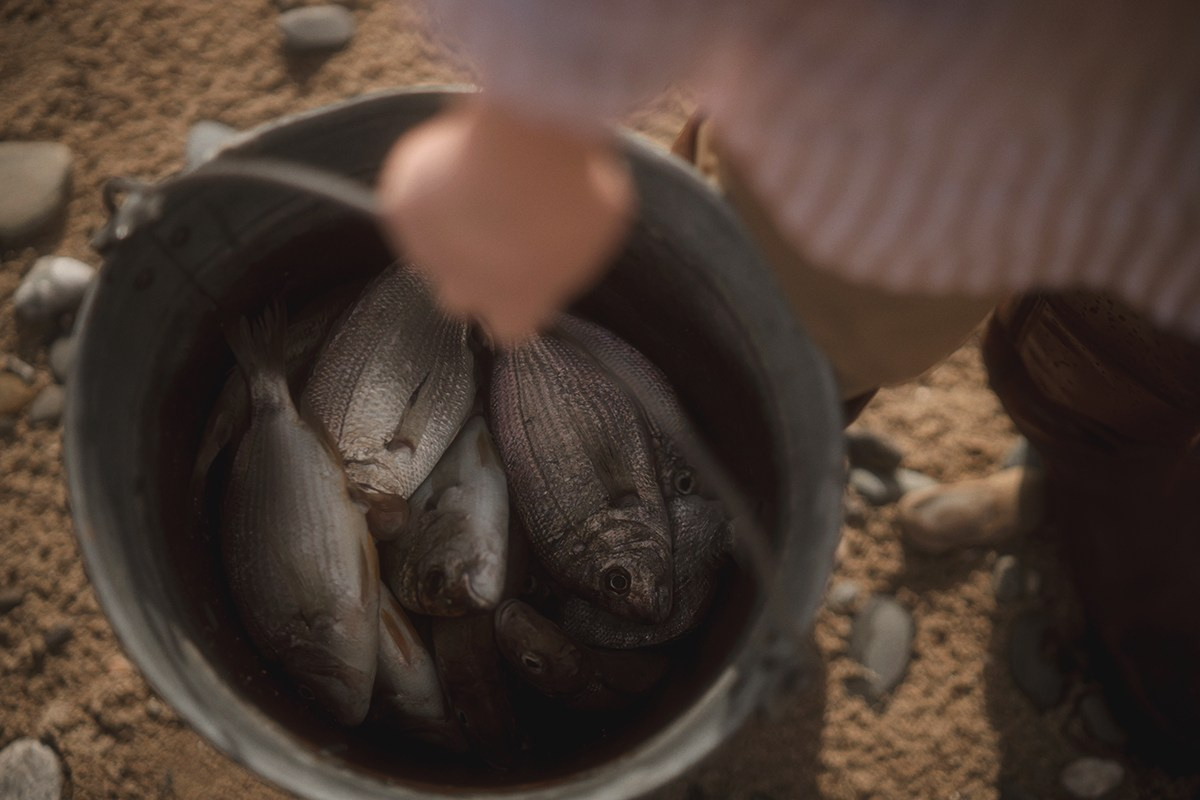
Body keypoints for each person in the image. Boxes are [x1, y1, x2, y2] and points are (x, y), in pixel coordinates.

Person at [377, 0, 1200, 768]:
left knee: (1126, 397)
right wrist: (531, 123)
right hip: (864, 178)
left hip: (1161, 215)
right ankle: (1071, 464)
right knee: (1026, 380)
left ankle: (1108, 517)